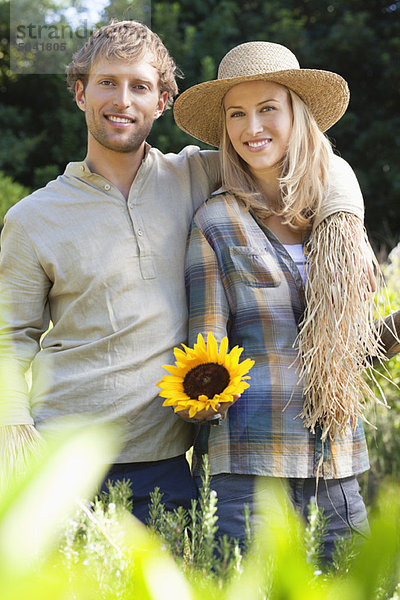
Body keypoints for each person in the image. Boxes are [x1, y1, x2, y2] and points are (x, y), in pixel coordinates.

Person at [0, 22, 388, 524]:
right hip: (65, 457)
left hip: (165, 464)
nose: (123, 100)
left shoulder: (194, 174)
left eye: (140, 86)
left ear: (162, 101)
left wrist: (342, 224)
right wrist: (14, 432)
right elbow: (9, 338)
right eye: (107, 82)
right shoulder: (33, 218)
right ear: (80, 92)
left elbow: (311, 156)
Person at [174, 41, 399, 558]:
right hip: (248, 477)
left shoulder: (339, 221)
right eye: (237, 114)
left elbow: (353, 351)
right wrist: (201, 399)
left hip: (336, 467)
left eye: (267, 108)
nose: (252, 127)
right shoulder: (215, 223)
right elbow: (204, 355)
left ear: (296, 115)